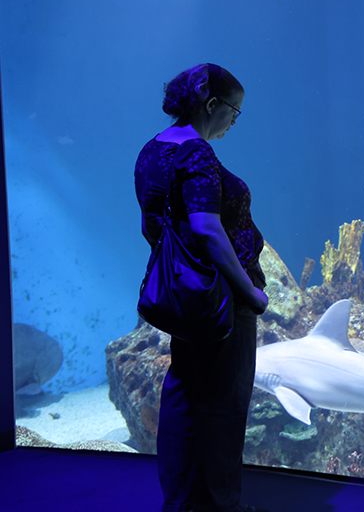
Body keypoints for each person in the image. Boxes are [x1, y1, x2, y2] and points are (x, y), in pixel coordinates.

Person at [134, 63, 269, 512]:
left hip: (183, 298)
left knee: (184, 393)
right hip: (220, 300)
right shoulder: (196, 153)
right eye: (234, 110)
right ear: (212, 104)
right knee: (223, 406)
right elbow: (208, 229)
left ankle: (180, 502)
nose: (234, 120)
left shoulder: (151, 151)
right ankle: (221, 506)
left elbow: (154, 228)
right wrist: (248, 292)